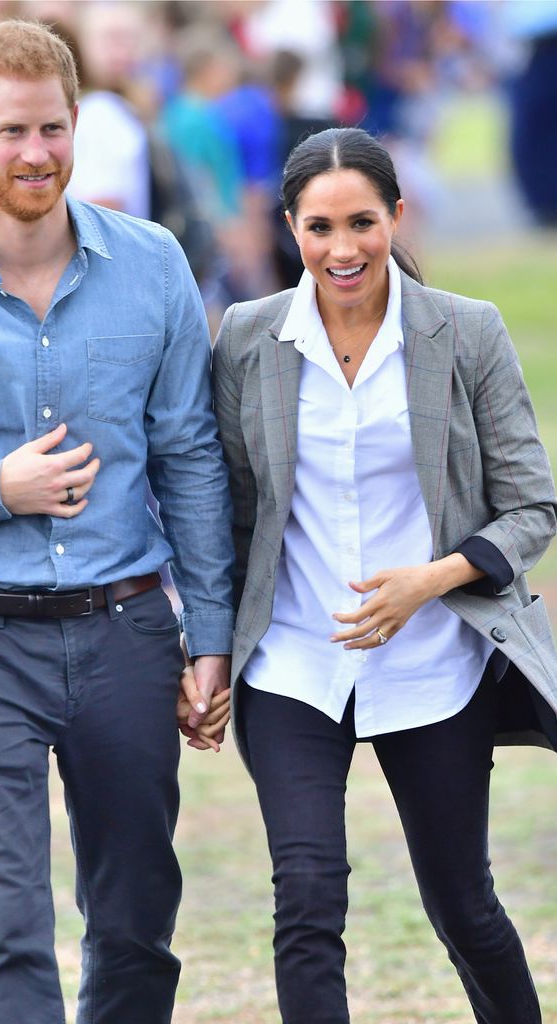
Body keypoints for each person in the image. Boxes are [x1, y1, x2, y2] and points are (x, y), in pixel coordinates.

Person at [0, 19, 233, 1024]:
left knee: (135, 927)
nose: (36, 154)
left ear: (77, 122)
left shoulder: (153, 264)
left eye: (52, 129)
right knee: (3, 931)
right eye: (11, 132)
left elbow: (190, 457)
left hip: (127, 632)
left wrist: (209, 636)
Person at [210, 126, 557, 1023]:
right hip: (293, 661)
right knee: (306, 897)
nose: (343, 249)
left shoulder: (465, 331)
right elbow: (227, 515)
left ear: (396, 216)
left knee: (464, 907)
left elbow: (532, 507)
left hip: (434, 664)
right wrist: (204, 649)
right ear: (291, 227)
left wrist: (431, 581)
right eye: (319, 227)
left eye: (362, 222)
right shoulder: (247, 338)